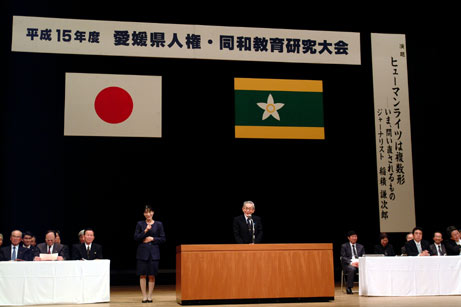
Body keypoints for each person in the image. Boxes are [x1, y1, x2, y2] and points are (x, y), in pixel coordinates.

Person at [134, 205, 166, 303]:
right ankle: (144, 296)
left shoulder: (159, 224)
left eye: (150, 212)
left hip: (154, 252)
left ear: (153, 213)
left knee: (152, 275)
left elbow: (163, 238)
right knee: (142, 275)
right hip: (142, 252)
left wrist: (153, 238)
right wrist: (145, 231)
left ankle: (150, 296)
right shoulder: (140, 224)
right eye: (146, 212)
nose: (148, 214)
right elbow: (136, 237)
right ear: (144, 214)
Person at [340, 230, 365, 294]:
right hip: (348, 264)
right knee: (352, 269)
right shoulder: (344, 246)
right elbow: (343, 257)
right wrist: (351, 263)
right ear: (348, 238)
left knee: (368, 268)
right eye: (353, 236)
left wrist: (359, 263)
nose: (354, 238)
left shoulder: (361, 246)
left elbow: (363, 256)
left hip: (359, 264)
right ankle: (349, 287)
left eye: (355, 236)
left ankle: (366, 288)